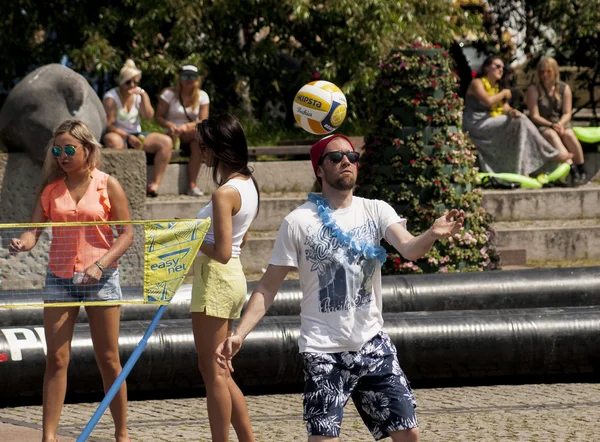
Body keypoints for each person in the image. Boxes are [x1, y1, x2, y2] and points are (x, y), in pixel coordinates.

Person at [216, 134, 465, 442]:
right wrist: (240, 333)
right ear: (319, 170)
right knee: (323, 440)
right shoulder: (297, 222)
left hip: (372, 344)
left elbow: (410, 249)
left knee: (408, 433)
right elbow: (267, 287)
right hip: (323, 351)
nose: (346, 161)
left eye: (352, 156)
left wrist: (433, 233)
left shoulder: (375, 210)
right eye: (335, 158)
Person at [9, 120, 133, 442]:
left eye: (69, 149)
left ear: (87, 149)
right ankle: (48, 437)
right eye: (57, 150)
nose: (62, 156)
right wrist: (23, 242)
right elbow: (34, 230)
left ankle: (122, 434)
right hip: (60, 278)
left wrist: (102, 264)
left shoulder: (108, 185)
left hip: (101, 279)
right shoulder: (51, 189)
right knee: (57, 358)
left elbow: (128, 233)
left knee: (108, 358)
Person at [192, 114, 259, 442]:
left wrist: (188, 236)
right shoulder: (248, 184)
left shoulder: (224, 193)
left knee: (214, 372)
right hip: (232, 277)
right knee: (220, 369)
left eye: (203, 145)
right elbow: (239, 240)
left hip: (217, 276)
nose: (199, 152)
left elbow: (220, 250)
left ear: (219, 148)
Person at [463, 56, 572, 178]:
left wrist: (512, 112)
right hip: (476, 124)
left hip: (491, 122)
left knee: (519, 119)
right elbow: (488, 101)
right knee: (521, 122)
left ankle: (523, 168)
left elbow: (505, 108)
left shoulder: (497, 87)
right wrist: (504, 93)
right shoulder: (477, 83)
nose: (501, 70)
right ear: (487, 67)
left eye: (503, 68)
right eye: (497, 66)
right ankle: (550, 153)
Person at [102, 59, 173, 197]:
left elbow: (148, 116)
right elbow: (108, 125)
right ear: (121, 81)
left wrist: (144, 96)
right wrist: (127, 137)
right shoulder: (111, 97)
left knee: (166, 142)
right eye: (128, 82)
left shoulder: (137, 95)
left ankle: (155, 185)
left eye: (135, 82)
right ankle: (120, 185)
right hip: (117, 134)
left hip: (137, 133)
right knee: (114, 142)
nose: (132, 85)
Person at [526, 57, 587, 185]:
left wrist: (560, 124)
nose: (544, 75)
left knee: (569, 134)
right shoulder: (534, 89)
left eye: (548, 71)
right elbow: (534, 116)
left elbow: (567, 112)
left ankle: (581, 168)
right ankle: (572, 168)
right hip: (543, 125)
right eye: (542, 72)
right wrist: (551, 125)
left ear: (555, 72)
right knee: (551, 134)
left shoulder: (564, 88)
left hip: (560, 123)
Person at [155, 65, 210, 196]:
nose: (188, 80)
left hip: (191, 133)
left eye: (192, 76)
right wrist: (169, 125)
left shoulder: (203, 96)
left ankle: (192, 184)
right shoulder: (168, 94)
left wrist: (186, 127)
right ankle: (157, 184)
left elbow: (203, 120)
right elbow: (158, 117)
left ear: (197, 79)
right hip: (171, 133)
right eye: (185, 76)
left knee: (198, 140)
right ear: (180, 78)